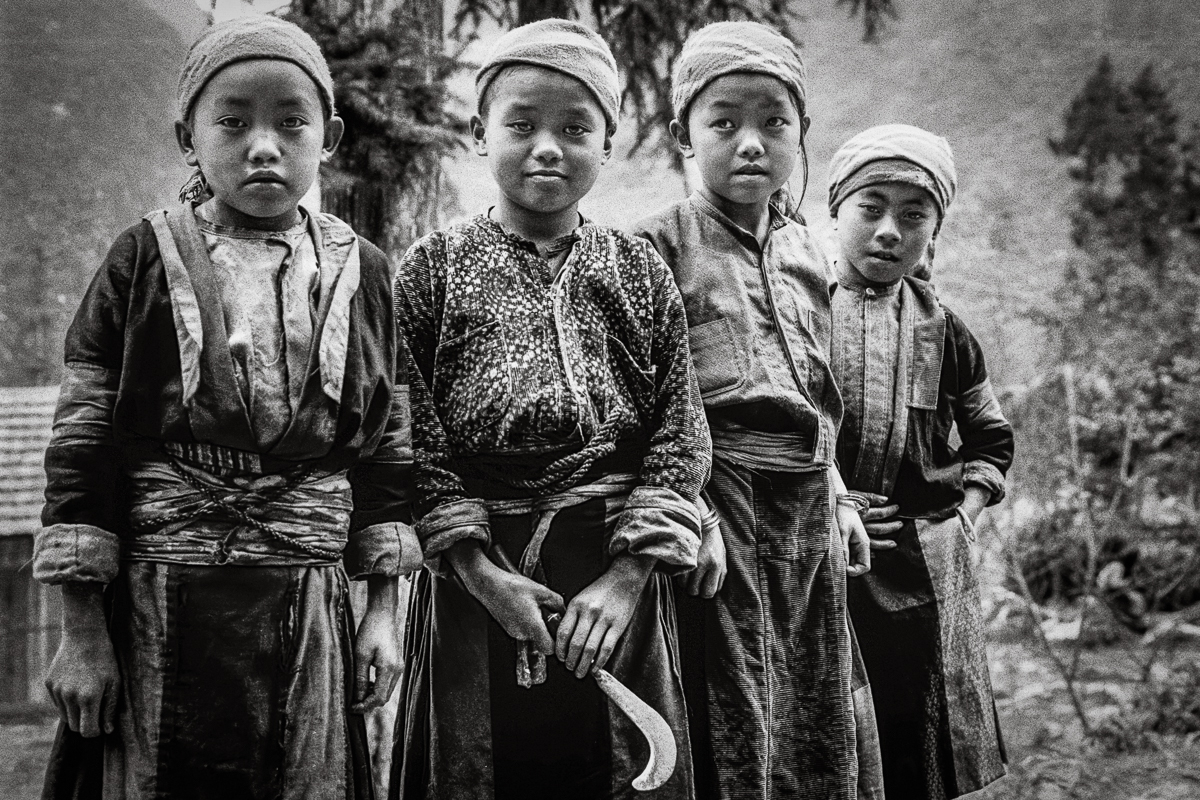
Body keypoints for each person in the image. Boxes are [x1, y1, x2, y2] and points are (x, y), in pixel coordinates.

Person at [35, 16, 418, 799]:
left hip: (307, 605)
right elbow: (83, 443)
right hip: (160, 598)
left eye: (291, 122)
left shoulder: (365, 273)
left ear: (330, 136)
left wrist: (384, 610)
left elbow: (388, 449)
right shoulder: (141, 259)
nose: (264, 146)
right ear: (189, 137)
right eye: (233, 122)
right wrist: (82, 632)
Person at [389, 19, 711, 800]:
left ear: (606, 145)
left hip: (609, 560)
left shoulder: (636, 268)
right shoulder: (430, 271)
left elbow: (679, 426)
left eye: (575, 128)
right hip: (479, 578)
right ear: (479, 133)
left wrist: (629, 577)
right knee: (487, 770)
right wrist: (476, 572)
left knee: (618, 769)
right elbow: (406, 433)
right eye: (521, 125)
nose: (547, 148)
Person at [633, 21, 878, 800]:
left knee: (815, 688)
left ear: (800, 132)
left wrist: (838, 496)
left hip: (806, 499)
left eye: (774, 122)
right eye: (725, 122)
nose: (751, 143)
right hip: (722, 495)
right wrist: (692, 512)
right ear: (683, 133)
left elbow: (819, 391)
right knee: (735, 692)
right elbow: (650, 406)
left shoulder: (809, 251)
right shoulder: (654, 247)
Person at [826, 123, 1014, 800]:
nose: (888, 232)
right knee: (833, 734)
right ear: (835, 209)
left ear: (933, 231)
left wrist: (962, 513)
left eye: (913, 217)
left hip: (924, 570)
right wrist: (831, 505)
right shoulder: (795, 310)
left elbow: (990, 439)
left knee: (917, 743)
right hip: (826, 565)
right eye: (870, 208)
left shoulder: (946, 329)